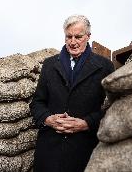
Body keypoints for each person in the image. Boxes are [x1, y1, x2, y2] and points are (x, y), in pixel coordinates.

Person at [30, 14, 114, 172]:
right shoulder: (49, 65)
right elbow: (37, 103)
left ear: (88, 36)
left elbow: (113, 108)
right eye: (69, 36)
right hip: (49, 152)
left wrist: (86, 123)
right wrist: (48, 119)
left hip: (84, 151)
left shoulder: (105, 66)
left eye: (78, 36)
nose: (73, 42)